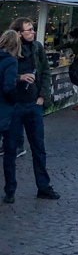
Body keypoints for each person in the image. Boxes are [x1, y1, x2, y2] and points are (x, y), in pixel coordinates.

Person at [3, 18, 59, 202]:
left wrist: (42, 97)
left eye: (33, 29)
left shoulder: (37, 47)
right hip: (14, 106)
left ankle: (43, 186)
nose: (32, 32)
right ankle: (10, 190)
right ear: (19, 33)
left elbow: (45, 72)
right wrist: (20, 77)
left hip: (33, 104)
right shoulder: (10, 51)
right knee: (11, 150)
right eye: (28, 30)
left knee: (38, 148)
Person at [0, 31, 20, 170]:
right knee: (9, 149)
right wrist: (15, 100)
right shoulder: (11, 61)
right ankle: (9, 188)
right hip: (4, 108)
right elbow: (9, 87)